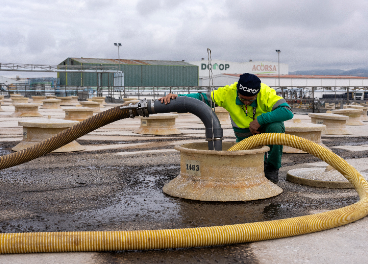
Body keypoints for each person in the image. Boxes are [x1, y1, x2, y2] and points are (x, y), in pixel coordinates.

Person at [159, 73, 294, 184]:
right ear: (237, 92)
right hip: (244, 136)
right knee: (243, 169)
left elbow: (287, 111)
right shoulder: (228, 92)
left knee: (276, 127)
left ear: (257, 94)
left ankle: (272, 168)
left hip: (263, 131)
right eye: (242, 99)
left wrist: (259, 120)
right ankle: (260, 164)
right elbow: (201, 98)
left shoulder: (265, 92)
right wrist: (180, 98)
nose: (246, 102)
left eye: (250, 100)